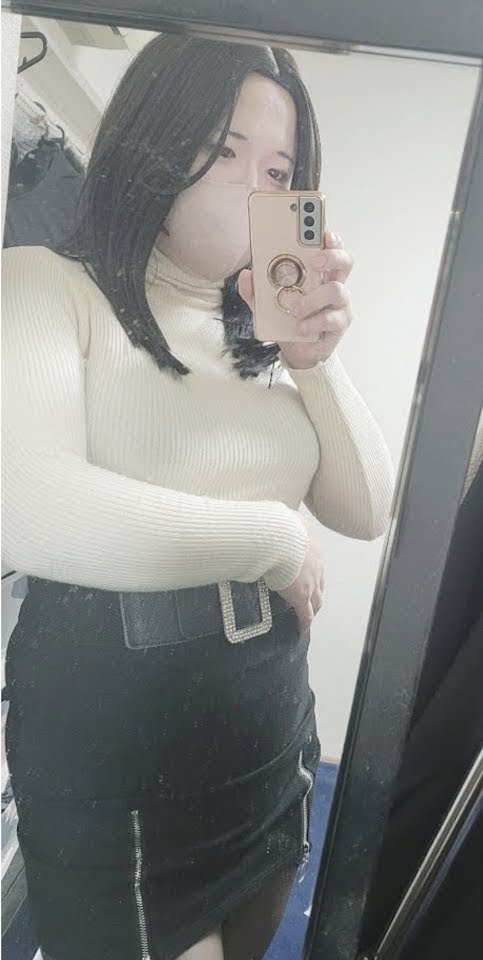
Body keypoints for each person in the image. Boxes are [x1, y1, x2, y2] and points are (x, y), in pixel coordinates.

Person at [2, 35, 394, 960]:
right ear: (152, 139)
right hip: (113, 767)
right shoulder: (43, 284)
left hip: (271, 747)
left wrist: (313, 359)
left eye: (279, 171)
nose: (256, 188)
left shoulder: (265, 343)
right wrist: (271, 539)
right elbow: (23, 501)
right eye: (223, 150)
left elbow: (366, 511)